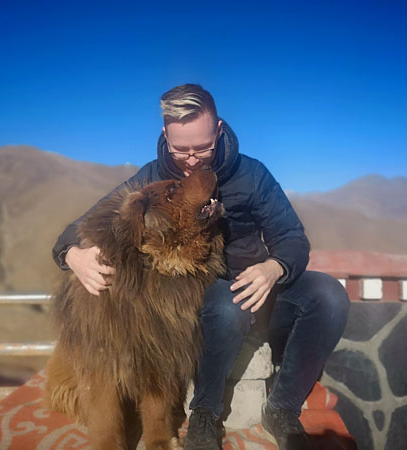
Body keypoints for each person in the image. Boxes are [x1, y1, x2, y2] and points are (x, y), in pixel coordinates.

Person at [52, 84, 350, 450]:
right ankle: (205, 415)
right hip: (212, 294)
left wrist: (273, 267)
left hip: (260, 283)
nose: (192, 160)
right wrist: (72, 254)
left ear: (219, 131)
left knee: (329, 296)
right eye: (181, 150)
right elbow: (85, 224)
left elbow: (292, 237)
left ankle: (283, 408)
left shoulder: (253, 175)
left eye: (202, 148)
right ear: (165, 136)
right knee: (226, 305)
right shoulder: (148, 180)